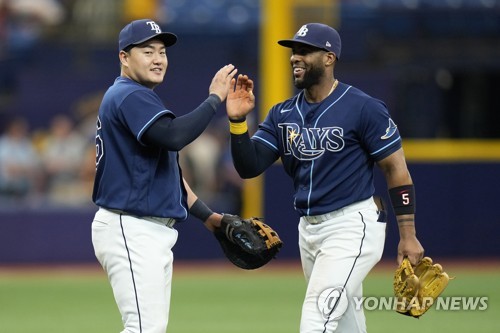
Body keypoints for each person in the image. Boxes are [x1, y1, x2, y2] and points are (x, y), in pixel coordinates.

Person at [226, 23, 424, 332]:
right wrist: (238, 122)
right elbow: (249, 166)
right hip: (310, 230)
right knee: (345, 323)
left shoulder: (363, 108)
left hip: (352, 224)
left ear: (329, 58)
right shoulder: (282, 114)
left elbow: (395, 169)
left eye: (305, 51)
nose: (295, 57)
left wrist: (408, 234)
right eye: (294, 51)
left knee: (318, 315)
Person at [91, 19, 237, 333]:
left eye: (162, 52)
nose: (158, 59)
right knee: (143, 329)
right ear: (124, 57)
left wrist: (208, 216)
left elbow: (168, 173)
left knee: (148, 327)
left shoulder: (135, 97)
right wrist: (214, 99)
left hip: (141, 228)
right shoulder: (130, 95)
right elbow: (173, 136)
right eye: (147, 51)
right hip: (131, 227)